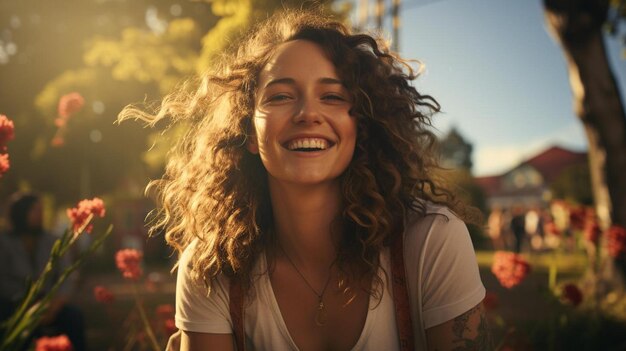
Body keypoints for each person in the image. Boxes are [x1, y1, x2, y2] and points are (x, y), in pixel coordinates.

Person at [121, 9, 489, 350]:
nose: (307, 113)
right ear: (249, 132)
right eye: (280, 95)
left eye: (331, 96)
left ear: (360, 125)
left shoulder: (430, 242)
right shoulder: (213, 266)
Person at [0, 192, 86, 351]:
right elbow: (2, 280)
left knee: (75, 317)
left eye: (41, 210)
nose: (40, 214)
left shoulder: (52, 240)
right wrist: (26, 303)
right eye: (34, 210)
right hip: (14, 305)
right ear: (21, 212)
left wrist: (55, 304)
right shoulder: (4, 242)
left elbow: (67, 275)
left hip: (50, 303)